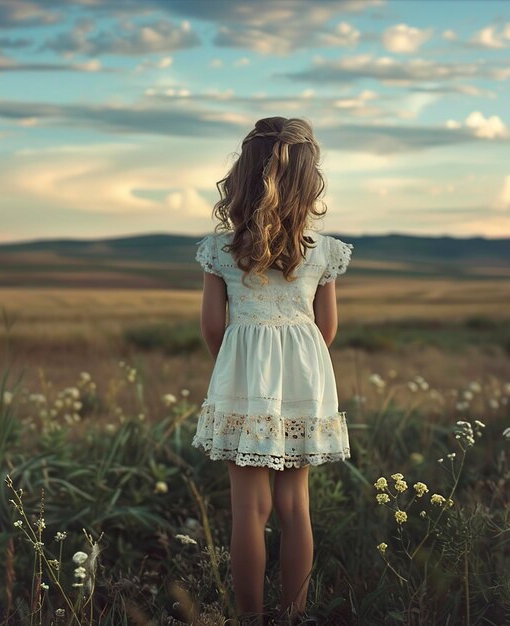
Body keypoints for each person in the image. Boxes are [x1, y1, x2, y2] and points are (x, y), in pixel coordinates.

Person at [192, 117, 354, 625]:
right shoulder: (321, 250)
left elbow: (212, 328)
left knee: (248, 511)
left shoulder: (222, 248)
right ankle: (293, 616)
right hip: (303, 382)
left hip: (242, 379)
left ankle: (248, 618)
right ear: (309, 182)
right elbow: (326, 329)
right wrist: (296, 369)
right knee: (295, 507)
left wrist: (239, 368)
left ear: (241, 175)